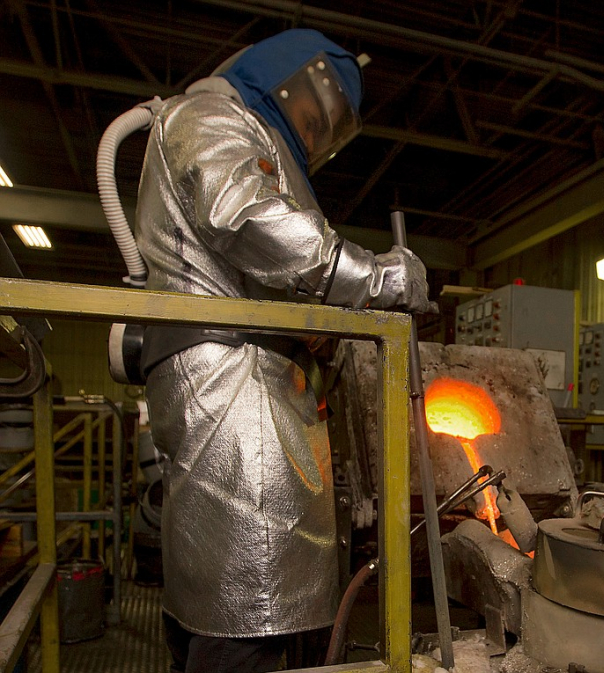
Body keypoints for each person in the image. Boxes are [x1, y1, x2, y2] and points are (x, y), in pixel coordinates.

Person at [133, 28, 433, 673]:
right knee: (250, 595)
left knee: (230, 584)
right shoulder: (211, 116)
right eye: (309, 119)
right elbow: (243, 214)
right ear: (290, 78)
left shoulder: (243, 133)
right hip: (233, 379)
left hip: (241, 377)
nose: (312, 137)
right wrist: (375, 278)